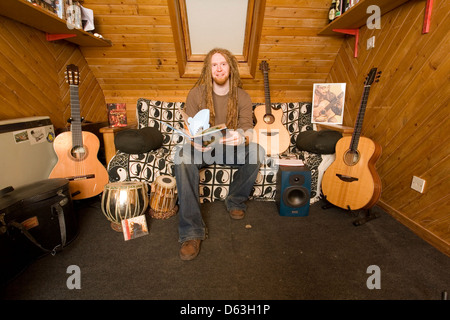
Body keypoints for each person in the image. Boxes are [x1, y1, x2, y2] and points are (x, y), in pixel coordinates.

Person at [174, 48, 265, 261]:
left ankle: (235, 200)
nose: (219, 68)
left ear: (231, 68)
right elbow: (191, 130)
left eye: (223, 64)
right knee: (181, 156)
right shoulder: (196, 94)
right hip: (204, 150)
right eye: (214, 65)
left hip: (230, 149)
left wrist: (242, 137)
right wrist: (194, 142)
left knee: (257, 151)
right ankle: (191, 232)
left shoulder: (242, 96)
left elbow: (248, 128)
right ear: (209, 69)